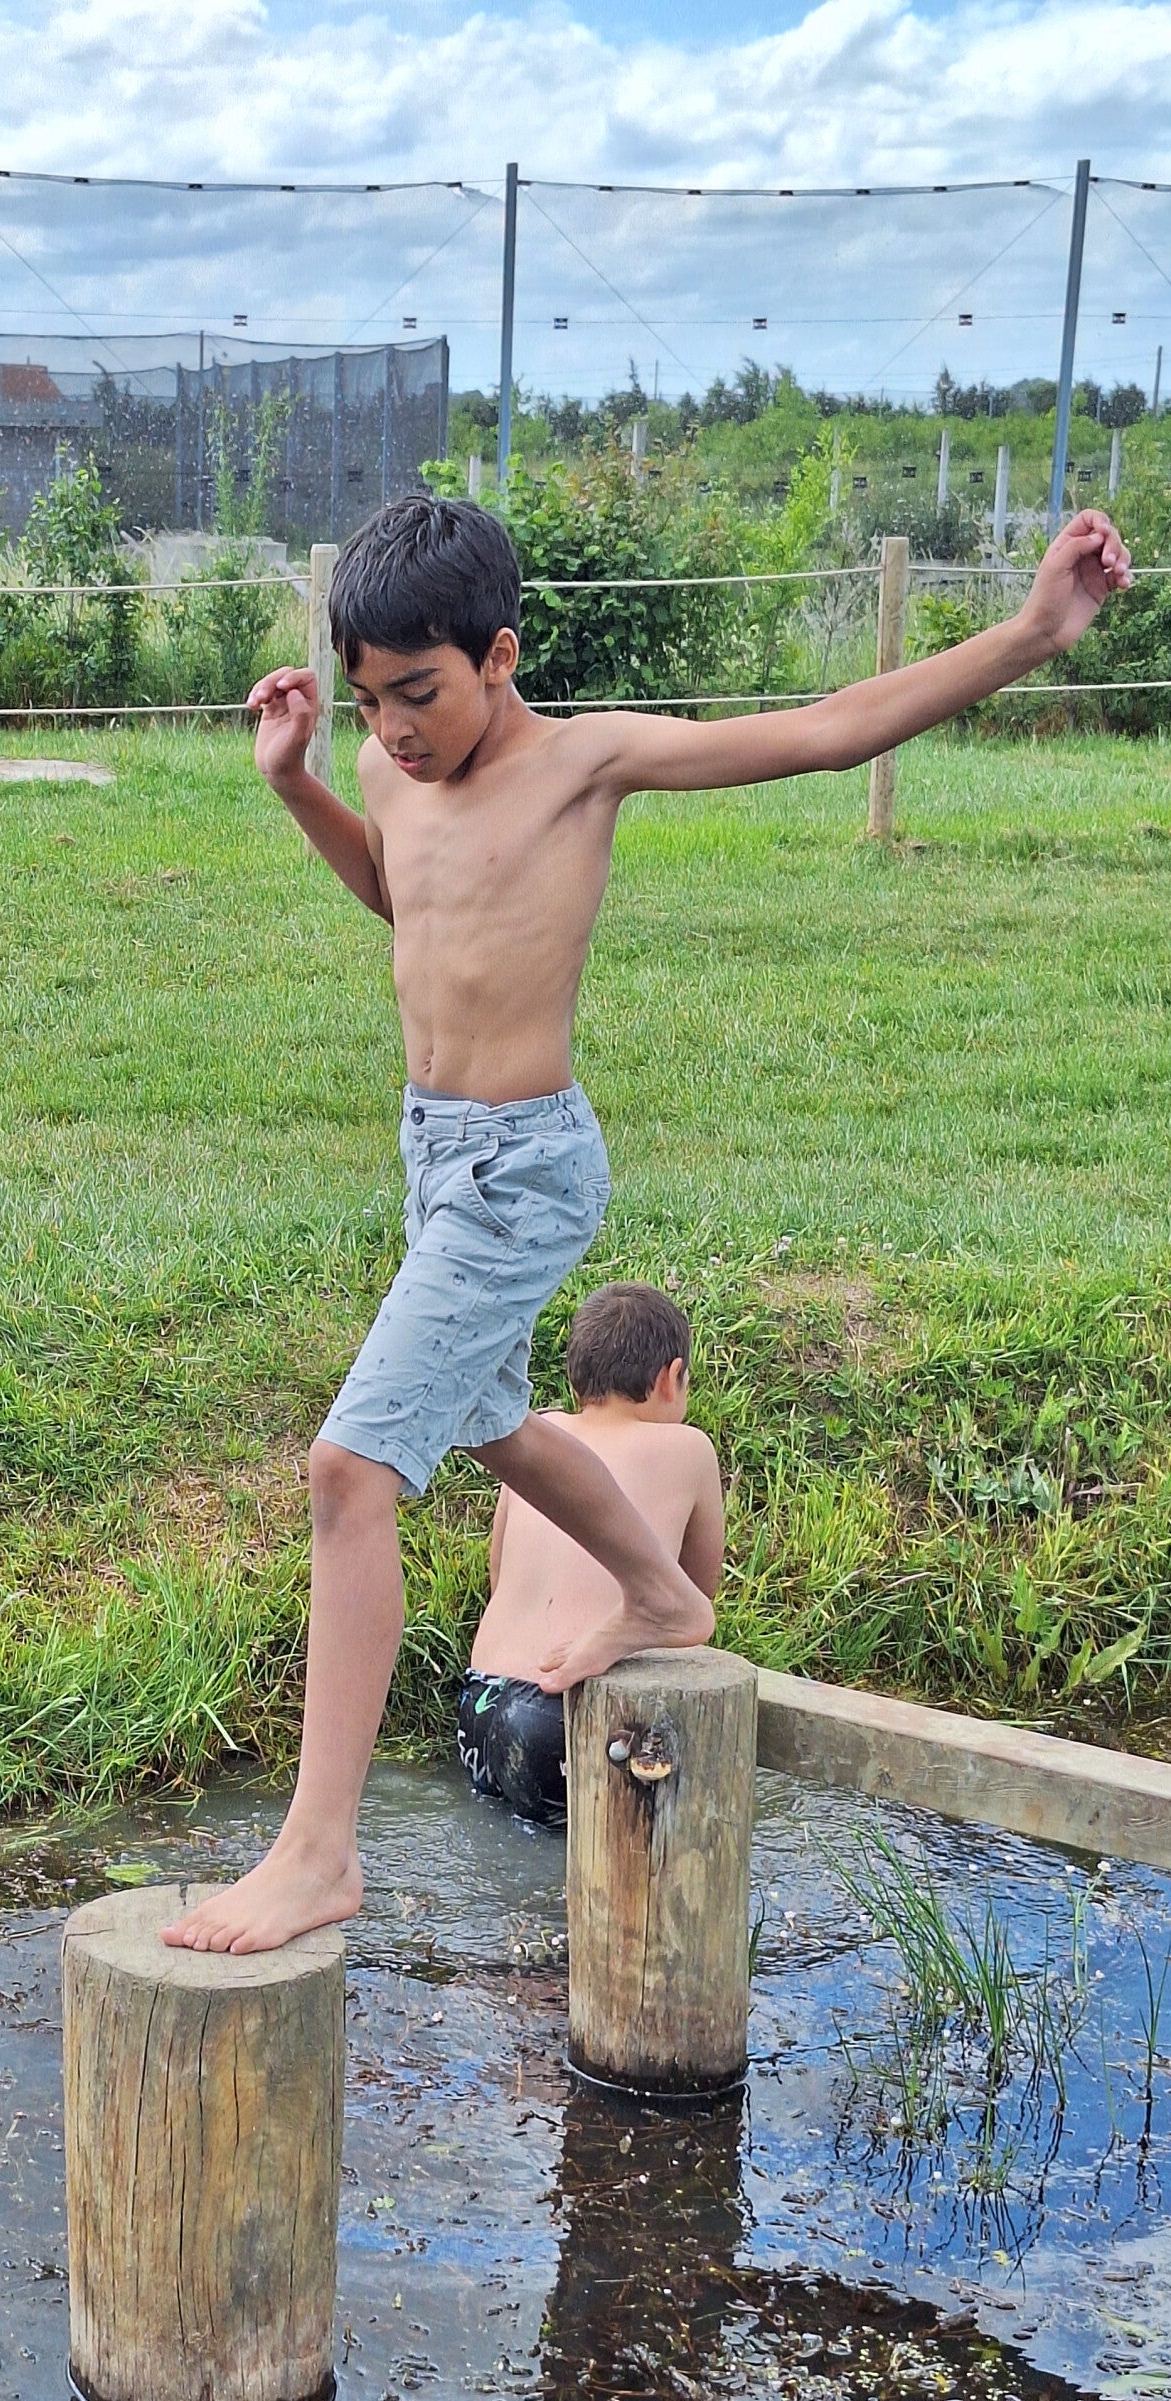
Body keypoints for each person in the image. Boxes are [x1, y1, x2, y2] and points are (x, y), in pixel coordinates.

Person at [165, 493, 1131, 1957]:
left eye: (419, 694)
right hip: (434, 1156)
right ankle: (663, 1596)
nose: (396, 731)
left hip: (524, 1169)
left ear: (499, 656)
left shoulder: (584, 763)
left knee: (349, 1471)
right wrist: (300, 779)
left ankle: (317, 1853)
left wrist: (1033, 632)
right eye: (370, 701)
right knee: (489, 1420)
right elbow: (404, 897)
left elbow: (825, 731)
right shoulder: (377, 763)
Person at [459, 1281, 722, 1824]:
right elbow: (694, 1594)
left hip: (482, 1703)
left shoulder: (541, 1438)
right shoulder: (689, 1447)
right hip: (570, 1711)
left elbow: (498, 1573)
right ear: (670, 1378)